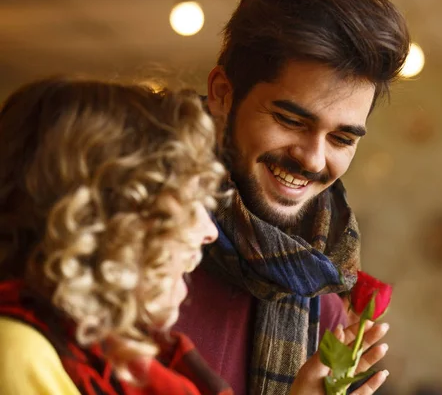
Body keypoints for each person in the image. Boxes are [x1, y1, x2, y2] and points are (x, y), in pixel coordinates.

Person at [0, 77, 389, 395]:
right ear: (96, 218)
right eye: (186, 205)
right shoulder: (18, 354)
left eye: (342, 138)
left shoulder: (124, 359)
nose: (206, 231)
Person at [173, 0, 410, 394]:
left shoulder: (329, 306)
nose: (314, 160)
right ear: (222, 95)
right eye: (290, 119)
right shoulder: (130, 246)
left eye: (341, 138)